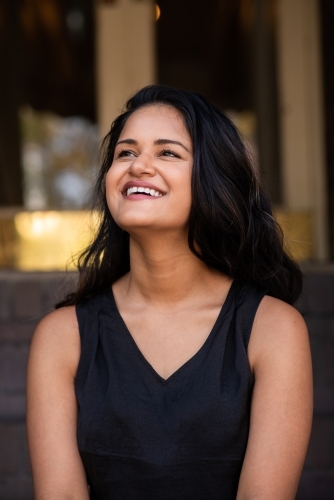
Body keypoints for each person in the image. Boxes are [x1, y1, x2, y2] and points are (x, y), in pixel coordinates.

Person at [27, 85, 313, 500]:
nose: (138, 165)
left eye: (167, 153)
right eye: (125, 152)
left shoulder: (274, 329)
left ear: (212, 179)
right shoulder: (61, 337)